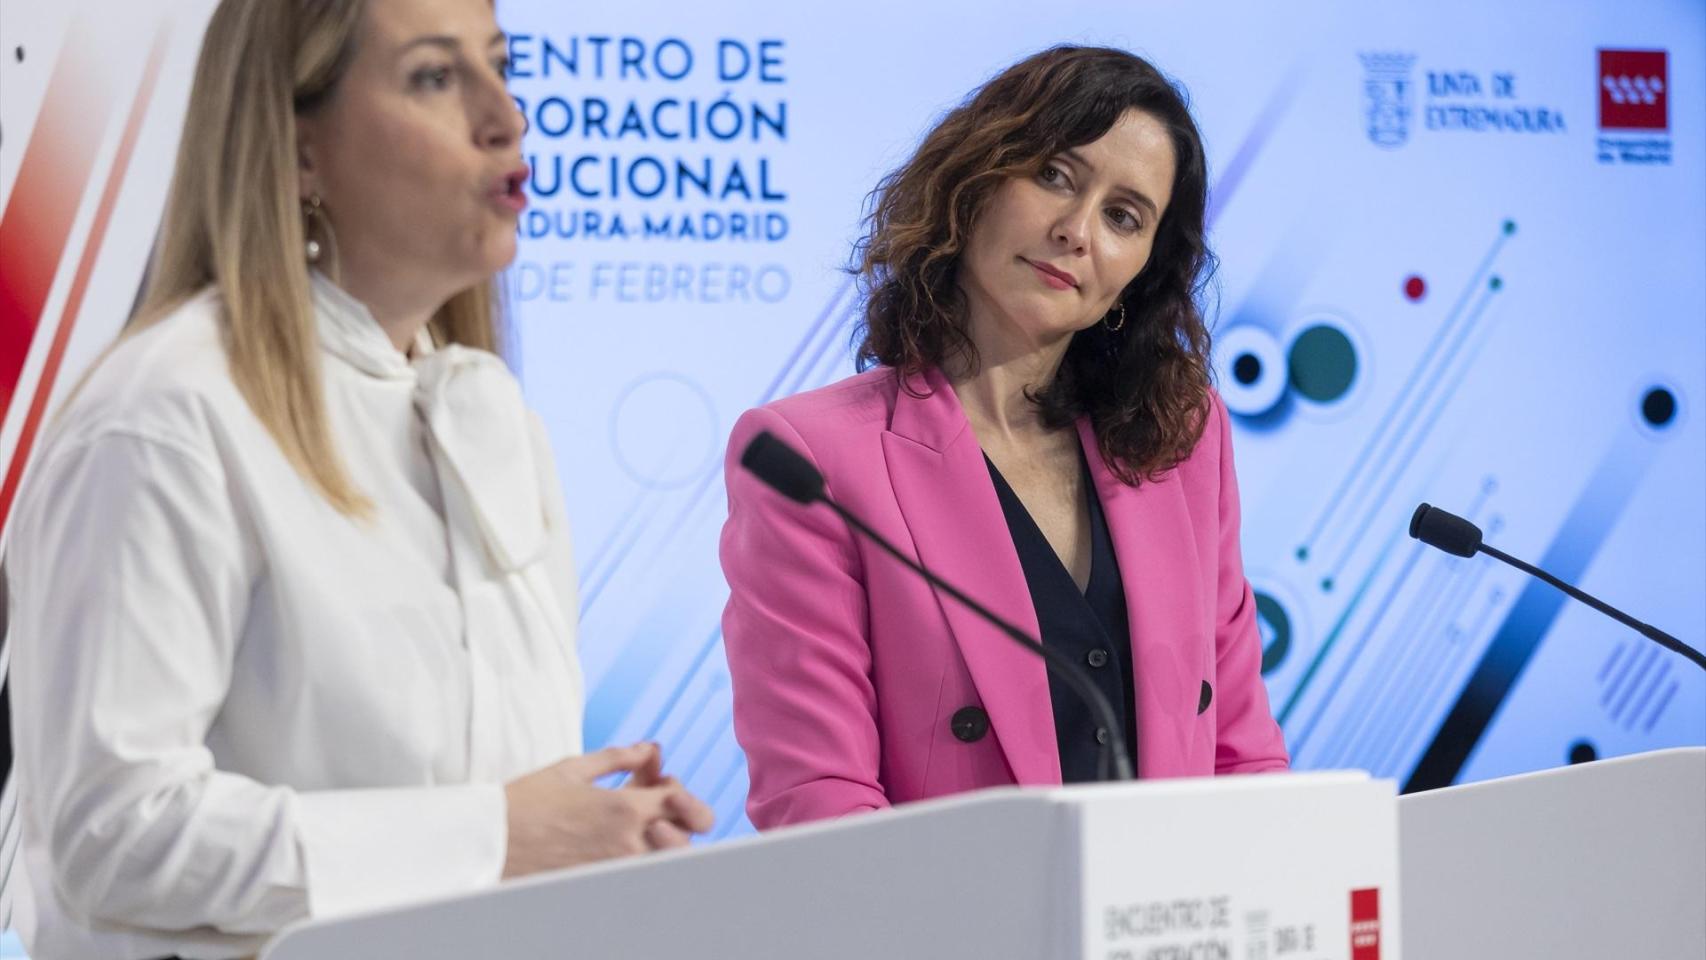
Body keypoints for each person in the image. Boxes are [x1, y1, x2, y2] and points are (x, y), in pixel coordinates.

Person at [3, 0, 710, 955]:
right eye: (434, 76)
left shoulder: (494, 416)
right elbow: (113, 833)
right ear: (299, 155)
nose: (506, 115)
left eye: (500, 66)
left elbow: (499, 814)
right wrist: (498, 837)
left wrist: (600, 834)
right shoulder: (167, 415)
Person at [719, 46, 1288, 830]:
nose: (1076, 231)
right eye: (1055, 174)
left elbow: (1240, 755)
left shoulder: (1179, 439)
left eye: (1123, 217)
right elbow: (820, 803)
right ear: (975, 182)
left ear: (1141, 274)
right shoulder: (818, 460)